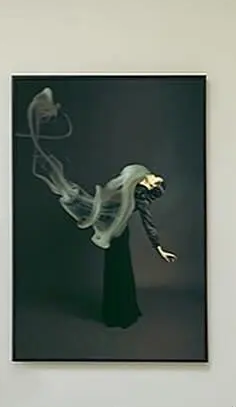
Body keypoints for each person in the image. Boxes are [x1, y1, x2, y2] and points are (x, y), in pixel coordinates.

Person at [24, 86, 175, 329]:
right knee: (113, 270)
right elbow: (111, 192)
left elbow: (148, 222)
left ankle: (122, 314)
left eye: (157, 179)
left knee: (120, 271)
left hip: (119, 233)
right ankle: (114, 312)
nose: (155, 176)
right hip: (113, 230)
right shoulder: (134, 178)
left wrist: (158, 248)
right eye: (156, 177)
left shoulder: (141, 196)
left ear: (153, 185)